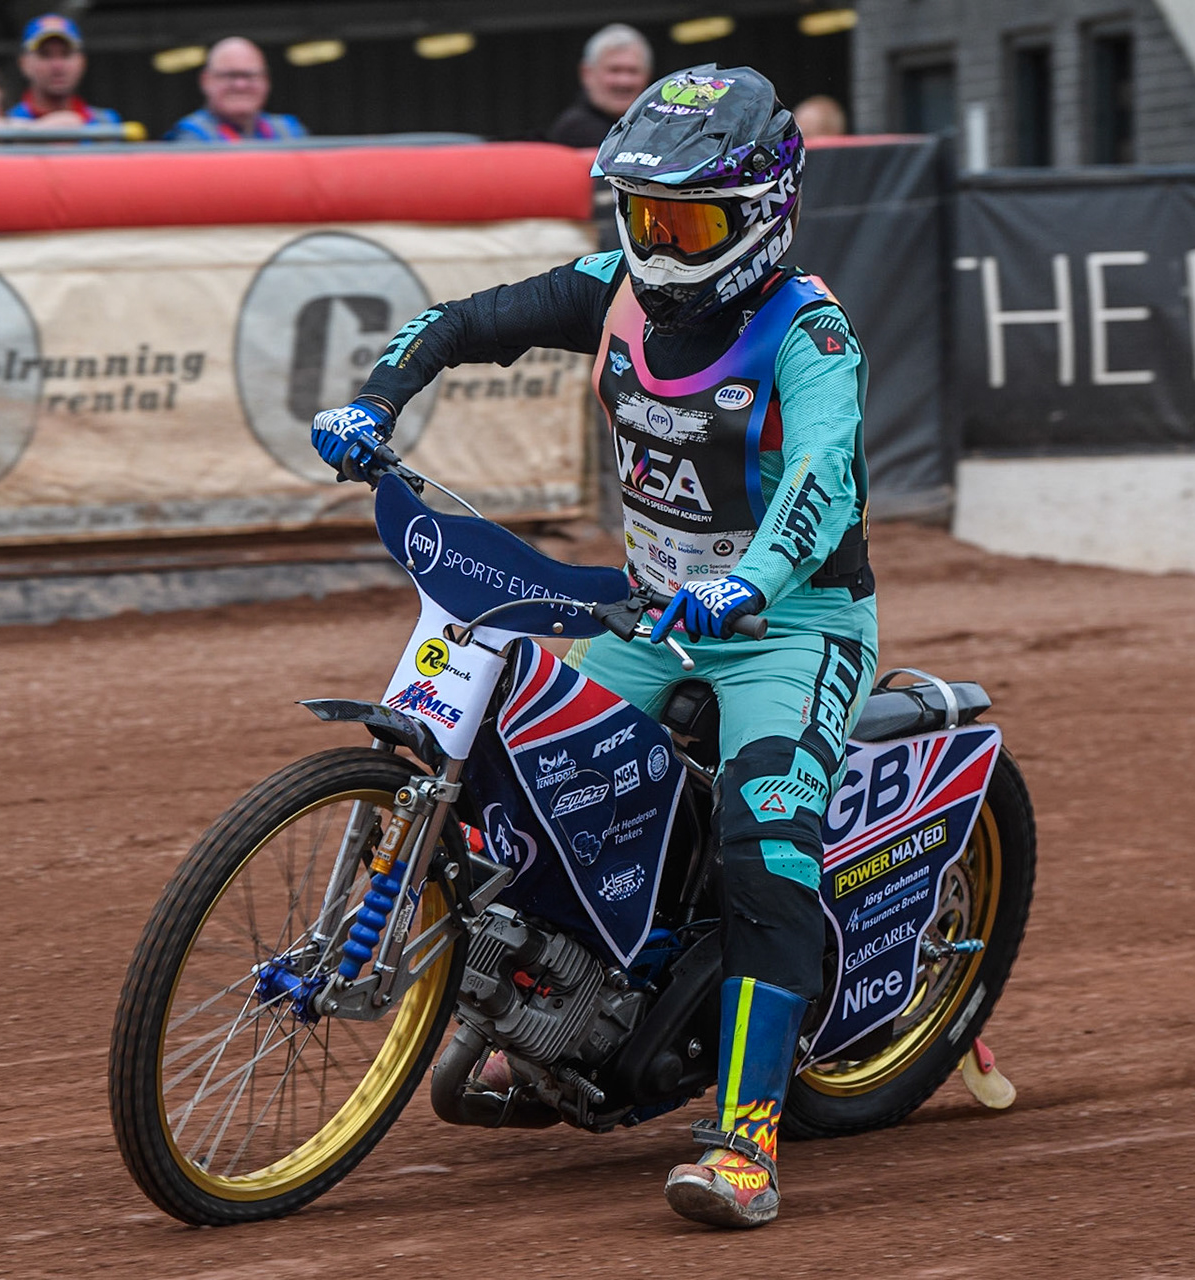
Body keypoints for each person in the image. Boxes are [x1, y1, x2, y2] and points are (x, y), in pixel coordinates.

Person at [313, 64, 873, 1231]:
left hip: (788, 625)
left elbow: (820, 484)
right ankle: (546, 1007)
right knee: (518, 755)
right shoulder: (612, 287)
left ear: (765, 211)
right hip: (647, 612)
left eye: (690, 223)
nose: (662, 245)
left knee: (767, 828)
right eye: (646, 216)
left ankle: (747, 1137)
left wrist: (750, 584)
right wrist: (377, 399)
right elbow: (463, 322)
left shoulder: (811, 336)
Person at [166, 37, 306, 142]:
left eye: (250, 75)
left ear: (266, 80)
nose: (240, 85)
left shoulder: (289, 131)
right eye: (229, 75)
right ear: (206, 81)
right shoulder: (189, 136)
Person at [7, 14, 121, 130]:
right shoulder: (5, 124)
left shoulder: (106, 123)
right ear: (23, 63)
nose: (57, 66)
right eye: (45, 54)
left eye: (66, 54)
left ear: (82, 61)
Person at [547, 23, 654, 146]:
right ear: (587, 73)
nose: (624, 81)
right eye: (614, 70)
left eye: (633, 71)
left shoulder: (660, 126)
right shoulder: (574, 131)